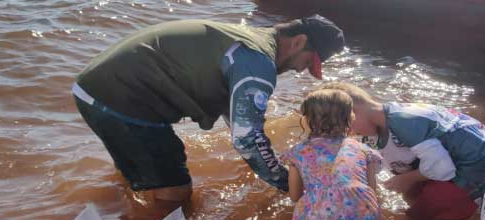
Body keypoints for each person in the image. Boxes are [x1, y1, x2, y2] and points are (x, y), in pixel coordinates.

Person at [72, 16, 345, 203]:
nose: (300, 71)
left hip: (96, 88)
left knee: (141, 171)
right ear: (298, 42)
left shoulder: (251, 38)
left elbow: (237, 117)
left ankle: (119, 215)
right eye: (307, 62)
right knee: (176, 189)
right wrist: (287, 184)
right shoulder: (258, 62)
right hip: (123, 99)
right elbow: (247, 138)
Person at [320, 82, 485, 220]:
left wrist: (407, 179)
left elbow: (443, 169)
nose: (349, 133)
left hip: (478, 165)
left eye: (346, 126)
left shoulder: (405, 122)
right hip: (451, 159)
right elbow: (372, 160)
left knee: (417, 217)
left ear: (354, 112)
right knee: (410, 193)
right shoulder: (377, 124)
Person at [284, 89, 381, 220]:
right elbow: (372, 190)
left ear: (307, 119)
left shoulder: (298, 152)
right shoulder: (362, 149)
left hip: (320, 215)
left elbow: (295, 195)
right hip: (361, 210)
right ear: (350, 118)